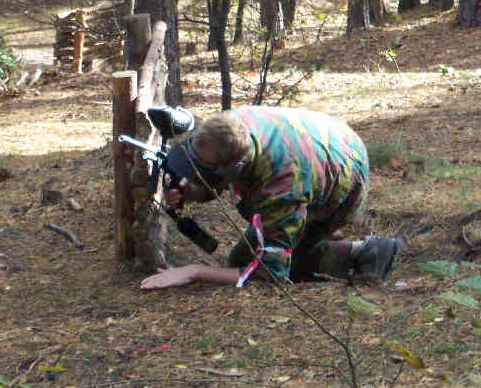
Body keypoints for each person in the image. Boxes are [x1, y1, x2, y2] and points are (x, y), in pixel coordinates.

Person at [139, 106, 402, 290]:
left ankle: (366, 251)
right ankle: (309, 238)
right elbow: (216, 177)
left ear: (233, 171)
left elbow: (270, 276)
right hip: (323, 142)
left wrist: (195, 272)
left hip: (346, 179)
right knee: (239, 260)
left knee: (271, 264)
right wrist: (193, 190)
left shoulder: (281, 189)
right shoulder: (225, 128)